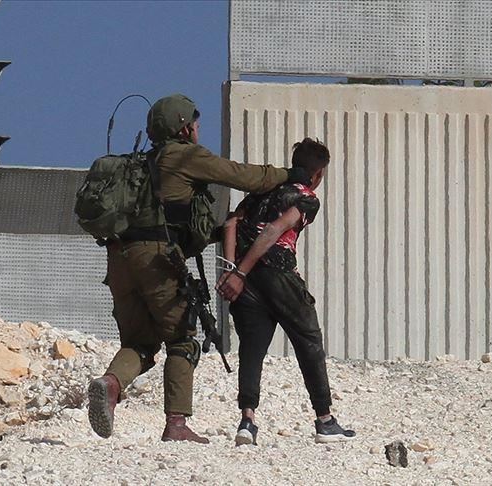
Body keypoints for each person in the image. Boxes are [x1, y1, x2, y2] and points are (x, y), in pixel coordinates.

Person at [87, 94, 311, 444]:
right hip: (156, 259)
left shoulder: (141, 164)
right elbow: (245, 177)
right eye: (194, 123)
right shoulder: (185, 156)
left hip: (119, 258)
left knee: (141, 342)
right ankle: (176, 425)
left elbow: (171, 220)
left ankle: (111, 383)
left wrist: (218, 232)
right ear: (183, 127)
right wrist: (288, 174)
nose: (197, 128)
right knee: (181, 339)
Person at [218, 138, 356, 445]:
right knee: (309, 342)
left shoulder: (261, 192)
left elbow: (230, 224)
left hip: (247, 282)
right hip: (278, 275)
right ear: (318, 173)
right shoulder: (306, 198)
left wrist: (232, 270)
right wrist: (240, 272)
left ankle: (247, 421)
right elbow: (273, 231)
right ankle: (325, 421)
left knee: (252, 349)